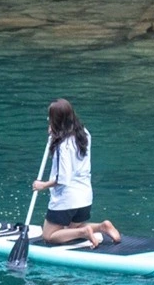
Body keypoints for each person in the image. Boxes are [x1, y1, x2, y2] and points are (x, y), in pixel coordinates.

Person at [33, 98, 121, 247]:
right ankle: (102, 227)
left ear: (56, 120)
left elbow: (63, 178)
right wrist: (55, 133)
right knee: (69, 230)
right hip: (85, 197)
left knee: (49, 236)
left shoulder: (63, 145)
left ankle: (85, 232)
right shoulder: (84, 134)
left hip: (67, 199)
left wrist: (42, 185)